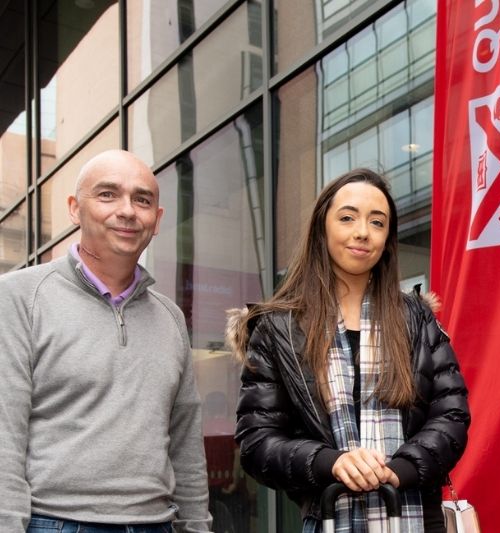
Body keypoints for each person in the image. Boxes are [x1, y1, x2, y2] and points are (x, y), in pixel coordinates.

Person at [227, 168, 470, 532]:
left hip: (417, 518)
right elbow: (257, 441)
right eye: (347, 218)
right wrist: (332, 462)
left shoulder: (416, 318)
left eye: (377, 222)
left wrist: (397, 469)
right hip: (327, 518)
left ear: (387, 238)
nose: (362, 232)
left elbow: (451, 416)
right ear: (322, 228)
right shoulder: (280, 328)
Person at [0, 150, 212, 532]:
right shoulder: (18, 297)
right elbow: (4, 437)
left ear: (157, 219)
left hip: (157, 524)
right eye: (107, 194)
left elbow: (186, 443)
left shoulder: (170, 317)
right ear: (74, 208)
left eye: (142, 200)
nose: (127, 211)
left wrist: (197, 527)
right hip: (55, 523)